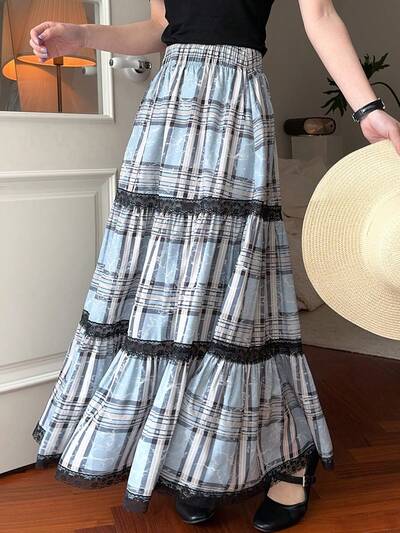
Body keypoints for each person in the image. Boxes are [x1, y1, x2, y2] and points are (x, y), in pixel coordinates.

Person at [29, 1, 400, 532]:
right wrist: (81, 35)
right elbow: (161, 27)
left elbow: (319, 16)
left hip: (234, 103)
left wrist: (367, 110)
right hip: (168, 110)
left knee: (238, 287)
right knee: (169, 286)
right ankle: (195, 462)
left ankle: (290, 457)